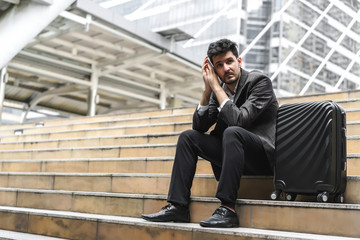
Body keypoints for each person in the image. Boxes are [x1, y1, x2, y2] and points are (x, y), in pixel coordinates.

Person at [141, 38, 278, 228]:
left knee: (232, 131)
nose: (226, 68)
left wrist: (215, 87)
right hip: (233, 155)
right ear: (213, 70)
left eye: (229, 61)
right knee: (188, 137)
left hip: (261, 156)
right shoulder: (217, 91)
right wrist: (207, 91)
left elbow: (240, 120)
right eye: (219, 65)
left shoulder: (259, 82)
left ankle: (227, 209)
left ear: (239, 62)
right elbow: (199, 127)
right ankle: (178, 206)